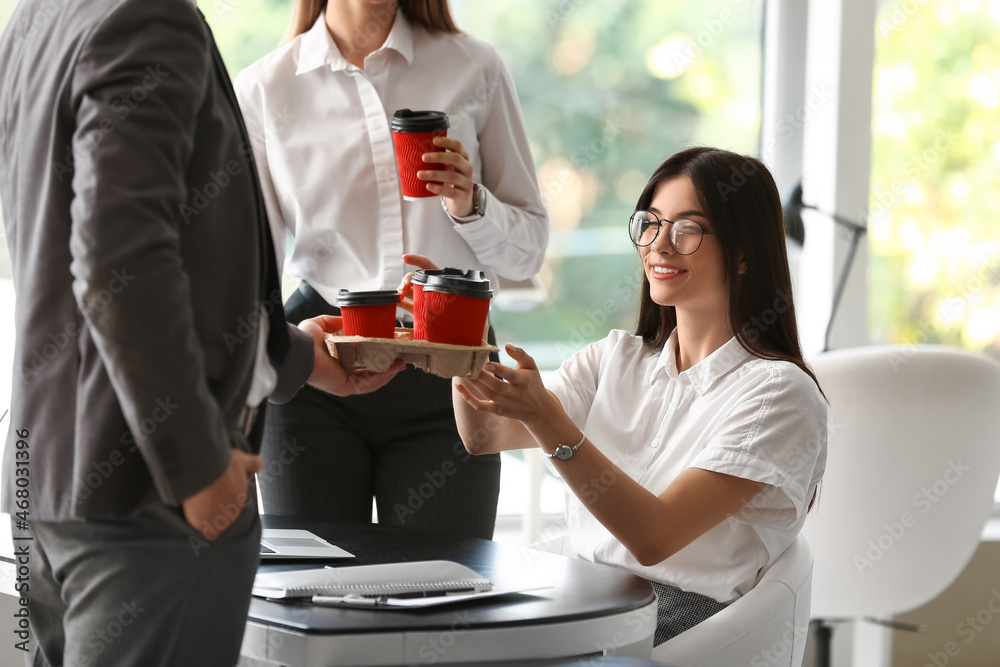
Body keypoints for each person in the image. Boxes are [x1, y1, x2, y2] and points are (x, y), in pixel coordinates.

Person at [0, 1, 402, 665]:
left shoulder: (41, 16)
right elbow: (118, 261)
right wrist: (198, 469)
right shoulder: (147, 18)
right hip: (145, 497)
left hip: (42, 481)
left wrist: (292, 353)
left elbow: (138, 258)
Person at [447, 147, 828, 645]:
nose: (659, 245)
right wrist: (454, 333)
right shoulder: (615, 358)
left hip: (680, 621)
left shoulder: (778, 393)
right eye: (650, 223)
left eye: (687, 229)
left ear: (743, 255)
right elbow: (485, 433)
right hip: (579, 590)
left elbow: (655, 537)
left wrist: (549, 422)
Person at [234, 0, 548, 539]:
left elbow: (528, 252)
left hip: (452, 357)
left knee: (447, 588)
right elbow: (250, 269)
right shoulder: (266, 87)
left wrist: (468, 201)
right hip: (322, 359)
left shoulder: (474, 65)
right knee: (317, 593)